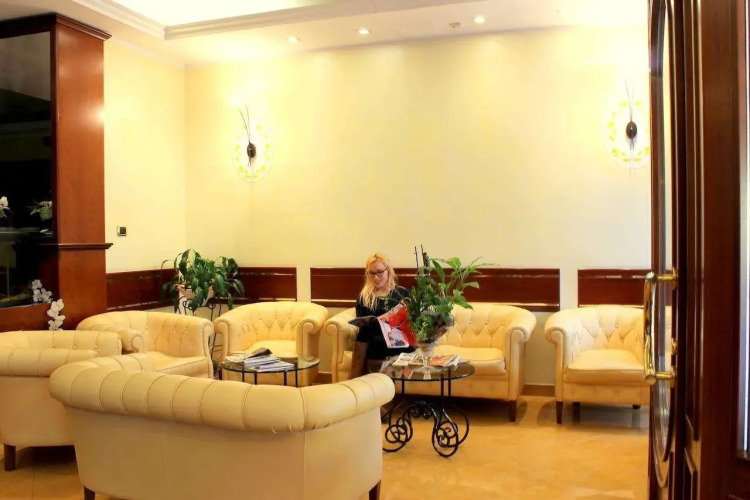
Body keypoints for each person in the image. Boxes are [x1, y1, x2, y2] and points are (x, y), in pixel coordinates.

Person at [349, 252, 415, 378]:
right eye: (372, 273)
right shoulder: (364, 297)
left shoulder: (402, 293)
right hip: (375, 341)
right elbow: (363, 328)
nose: (376, 277)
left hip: (398, 338)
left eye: (380, 272)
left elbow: (412, 320)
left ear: (388, 271)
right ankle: (360, 379)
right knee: (368, 337)